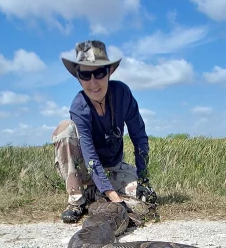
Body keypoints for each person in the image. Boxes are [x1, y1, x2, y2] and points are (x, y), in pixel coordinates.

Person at [52, 39, 157, 223]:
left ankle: (96, 192)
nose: (93, 83)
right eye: (85, 75)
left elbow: (139, 136)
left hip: (115, 167)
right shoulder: (79, 106)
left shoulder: (122, 94)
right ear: (78, 77)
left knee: (144, 199)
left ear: (109, 72)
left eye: (99, 73)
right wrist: (113, 197)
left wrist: (143, 178)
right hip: (85, 168)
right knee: (65, 129)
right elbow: (89, 154)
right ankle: (77, 200)